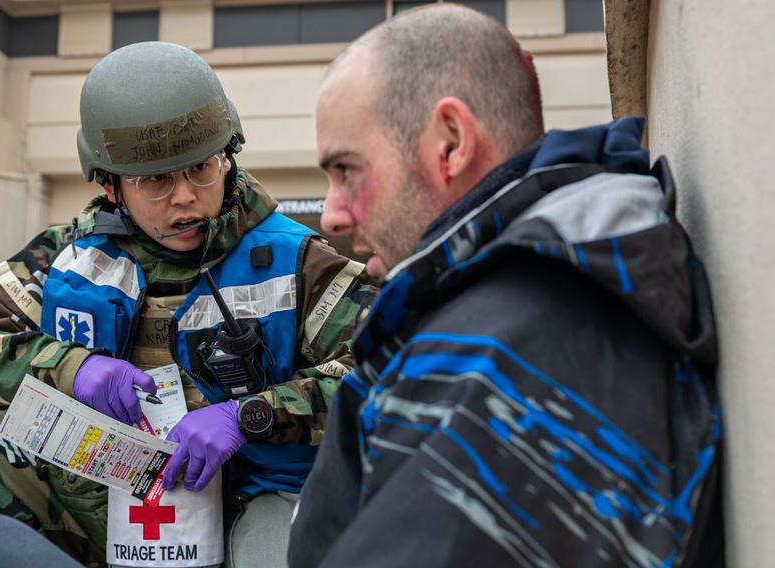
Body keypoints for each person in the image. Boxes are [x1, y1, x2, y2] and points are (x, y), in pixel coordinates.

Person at [289, 5, 723, 568]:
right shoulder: (515, 306)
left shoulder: (508, 349)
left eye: (347, 170)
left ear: (450, 142)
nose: (331, 216)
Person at [0, 41, 375, 567]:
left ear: (228, 156)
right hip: (96, 494)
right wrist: (72, 369)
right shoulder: (67, 257)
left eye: (202, 168)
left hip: (247, 499)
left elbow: (386, 374)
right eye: (155, 179)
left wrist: (249, 415)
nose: (184, 196)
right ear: (110, 185)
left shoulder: (297, 261)